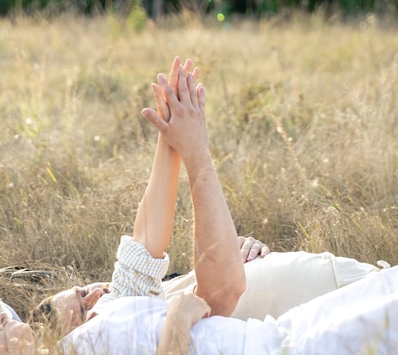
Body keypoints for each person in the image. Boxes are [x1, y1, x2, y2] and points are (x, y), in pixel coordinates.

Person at [59, 61, 398, 355]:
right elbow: (222, 289)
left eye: (80, 291)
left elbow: (142, 246)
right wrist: (193, 150)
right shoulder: (133, 328)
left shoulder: (130, 304)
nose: (91, 298)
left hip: (340, 298)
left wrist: (171, 125)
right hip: (329, 323)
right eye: (80, 310)